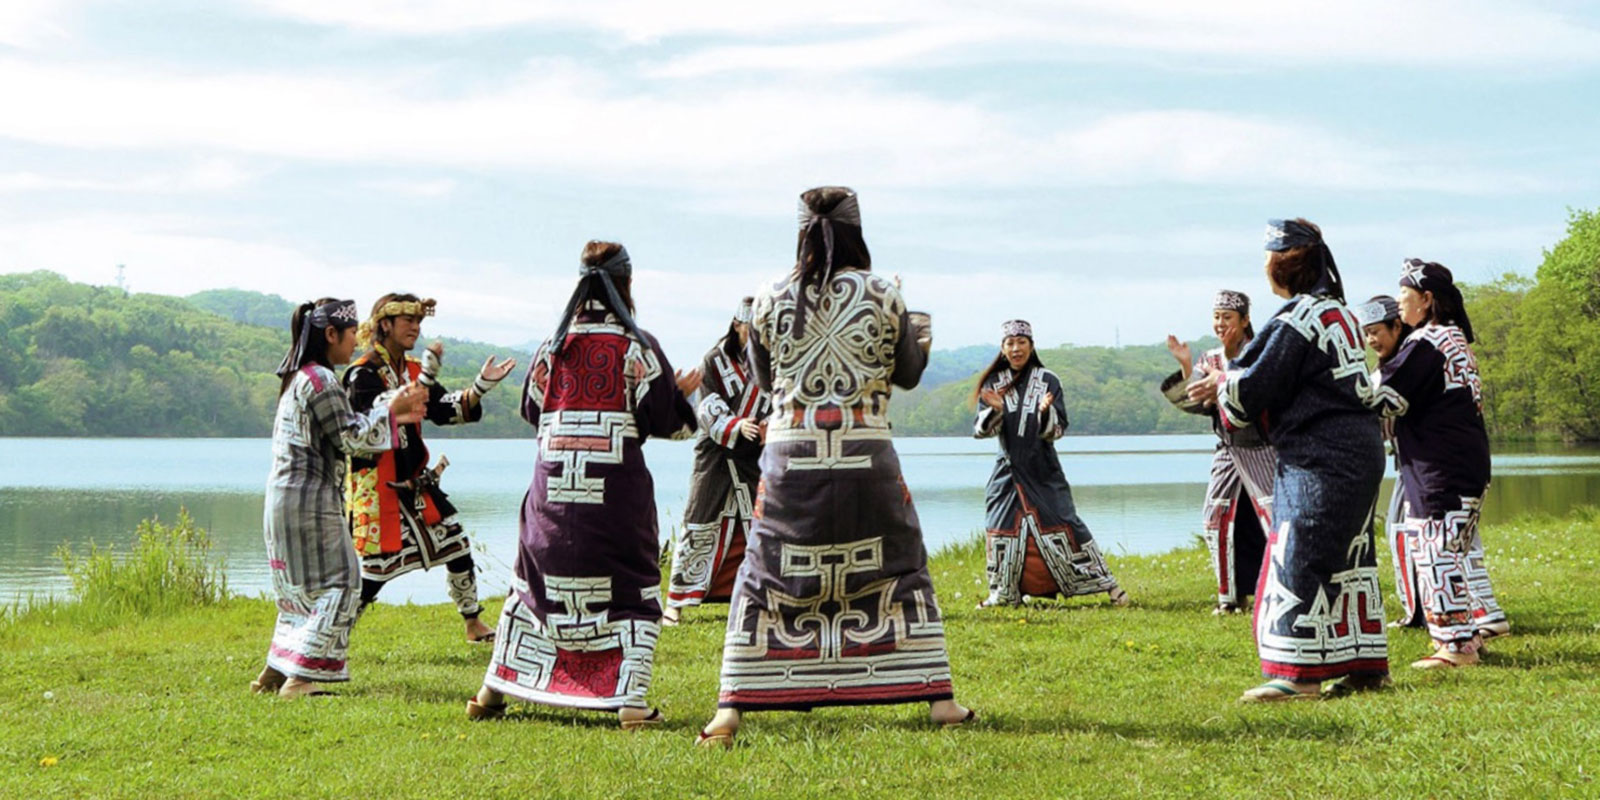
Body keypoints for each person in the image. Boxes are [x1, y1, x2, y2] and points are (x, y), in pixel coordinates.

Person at [699, 186, 972, 749]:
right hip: (866, 451)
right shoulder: (883, 293)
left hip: (788, 455)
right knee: (899, 563)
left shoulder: (770, 294)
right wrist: (921, 336)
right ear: (857, 229)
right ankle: (939, 699)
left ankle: (729, 711)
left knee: (765, 570)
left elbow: (766, 380)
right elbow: (910, 374)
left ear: (800, 230)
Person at [469, 241, 699, 728]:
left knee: (534, 588)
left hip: (550, 495)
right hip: (613, 496)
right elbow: (674, 425)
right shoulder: (637, 346)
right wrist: (679, 396)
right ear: (627, 285)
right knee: (627, 587)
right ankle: (631, 703)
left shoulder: (552, 348)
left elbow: (532, 411)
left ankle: (492, 691)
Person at [1186, 218, 1390, 702]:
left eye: (1267, 261)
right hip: (1358, 450)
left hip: (1320, 455)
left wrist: (1220, 386)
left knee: (1299, 551)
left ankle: (1300, 677)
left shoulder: (1297, 320)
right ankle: (1365, 667)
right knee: (1350, 556)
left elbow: (1254, 385)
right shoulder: (1337, 313)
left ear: (1283, 266)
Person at [254, 298, 426, 698]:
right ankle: (301, 679)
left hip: (283, 498)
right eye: (351, 334)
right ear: (331, 335)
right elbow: (350, 438)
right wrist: (393, 410)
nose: (355, 341)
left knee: (297, 592)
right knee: (344, 582)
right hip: (310, 500)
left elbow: (347, 428)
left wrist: (392, 409)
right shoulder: (322, 381)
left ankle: (275, 672)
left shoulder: (300, 378)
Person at [343, 294, 515, 643]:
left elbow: (441, 409)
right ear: (385, 324)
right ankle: (333, 635)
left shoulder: (412, 370)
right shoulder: (362, 372)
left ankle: (473, 623)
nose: (416, 327)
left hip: (416, 483)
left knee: (456, 544)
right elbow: (362, 429)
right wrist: (402, 401)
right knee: (376, 573)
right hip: (378, 486)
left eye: (419, 321)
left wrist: (481, 387)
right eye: (408, 320)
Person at [1372, 260, 1510, 669]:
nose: (1399, 308)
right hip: (1463, 464)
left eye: (1403, 298)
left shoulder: (1428, 342)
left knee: (1435, 550)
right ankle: (1466, 636)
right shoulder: (1454, 340)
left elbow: (1385, 396)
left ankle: (1455, 646)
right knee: (1451, 549)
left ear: (1426, 300)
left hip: (1442, 467)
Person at [974, 320, 1129, 608]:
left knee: (1066, 524)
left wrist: (1045, 413)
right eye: (1010, 343)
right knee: (1001, 527)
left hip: (1043, 469)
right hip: (1006, 471)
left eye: (1022, 342)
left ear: (1031, 346)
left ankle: (1108, 585)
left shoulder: (1049, 380)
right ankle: (1004, 592)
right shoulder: (993, 384)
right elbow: (980, 431)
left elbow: (1056, 430)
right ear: (1002, 348)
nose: (1016, 348)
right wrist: (994, 411)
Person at [1161, 290, 1275, 614]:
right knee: (1216, 516)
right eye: (1216, 317)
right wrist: (1186, 366)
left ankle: (1282, 591)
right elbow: (1194, 399)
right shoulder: (1209, 359)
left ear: (1245, 320)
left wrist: (1224, 388)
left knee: (1274, 517)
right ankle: (1229, 597)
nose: (1220, 323)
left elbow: (1262, 394)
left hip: (1263, 448)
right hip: (1227, 449)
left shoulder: (1260, 354)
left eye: (1227, 317)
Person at [664, 297, 769, 624]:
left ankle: (757, 595)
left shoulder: (772, 361)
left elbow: (782, 400)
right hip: (716, 453)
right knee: (700, 518)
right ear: (737, 325)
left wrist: (770, 425)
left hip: (756, 453)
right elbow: (707, 406)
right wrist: (736, 424)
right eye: (749, 328)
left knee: (760, 522)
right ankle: (676, 603)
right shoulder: (714, 360)